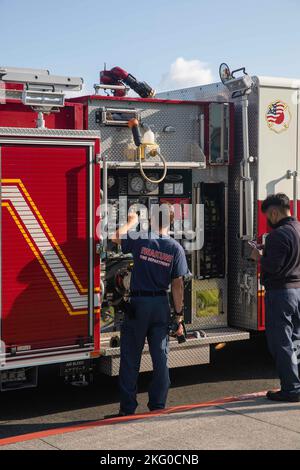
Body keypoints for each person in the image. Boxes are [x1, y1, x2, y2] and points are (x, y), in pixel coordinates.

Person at [111, 203, 189, 415]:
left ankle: (127, 409)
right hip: (160, 305)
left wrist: (131, 222)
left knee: (130, 359)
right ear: (171, 221)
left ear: (152, 219)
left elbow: (115, 237)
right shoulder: (175, 248)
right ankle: (157, 406)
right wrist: (179, 316)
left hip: (139, 304)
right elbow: (178, 285)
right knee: (161, 359)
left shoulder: (141, 238)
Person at [250, 193, 300, 402]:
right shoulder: (297, 229)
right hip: (297, 291)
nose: (269, 221)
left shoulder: (278, 235)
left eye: (268, 216)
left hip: (281, 293)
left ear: (274, 212)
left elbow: (274, 266)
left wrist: (259, 256)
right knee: (296, 339)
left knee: (281, 342)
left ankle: (291, 388)